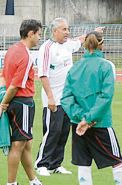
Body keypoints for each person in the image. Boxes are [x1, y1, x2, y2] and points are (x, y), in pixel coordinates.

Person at [60, 31, 122, 185]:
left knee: (83, 164)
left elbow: (65, 98)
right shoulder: (106, 66)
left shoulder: (74, 68)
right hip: (100, 123)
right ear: (102, 44)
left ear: (85, 45)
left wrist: (81, 118)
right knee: (118, 163)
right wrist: (89, 119)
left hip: (78, 124)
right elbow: (105, 97)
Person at [34, 17, 96, 176]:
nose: (67, 32)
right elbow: (43, 75)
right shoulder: (47, 48)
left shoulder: (68, 44)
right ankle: (42, 163)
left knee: (63, 132)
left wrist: (95, 32)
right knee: (52, 131)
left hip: (68, 99)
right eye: (64, 29)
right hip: (53, 97)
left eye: (68, 29)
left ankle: (56, 164)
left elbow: (81, 40)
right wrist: (50, 98)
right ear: (55, 31)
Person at [0, 19, 47, 185]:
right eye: (38, 34)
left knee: (26, 143)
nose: (39, 38)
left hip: (15, 102)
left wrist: (4, 100)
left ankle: (33, 181)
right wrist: (3, 104)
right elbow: (15, 85)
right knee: (19, 144)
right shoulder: (26, 56)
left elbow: (4, 77)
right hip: (22, 103)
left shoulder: (12, 50)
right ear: (30, 34)